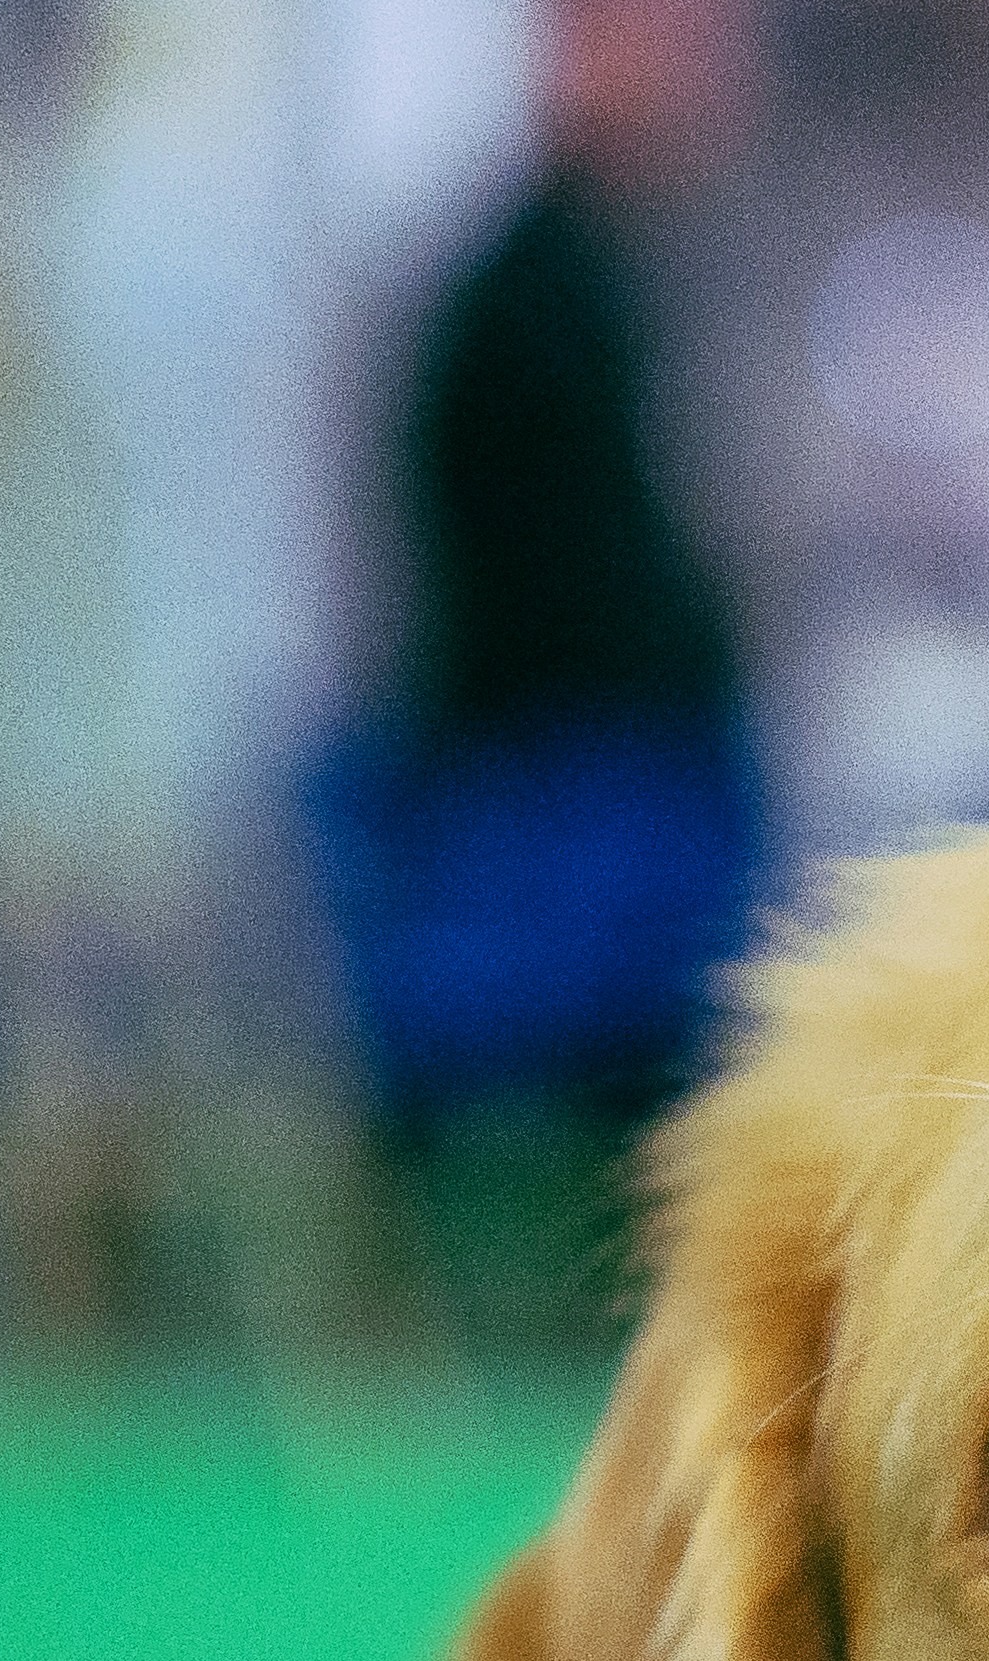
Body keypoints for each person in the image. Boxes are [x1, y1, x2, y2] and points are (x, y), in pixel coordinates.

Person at [324, 0, 767, 1161]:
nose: (708, 79)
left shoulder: (599, 271)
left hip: (575, 778)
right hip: (565, 796)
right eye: (680, 44)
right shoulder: (530, 286)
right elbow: (543, 587)